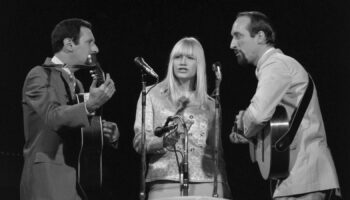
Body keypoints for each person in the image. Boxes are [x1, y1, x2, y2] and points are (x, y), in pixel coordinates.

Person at [229, 11, 341, 200]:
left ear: (260, 36)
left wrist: (244, 124)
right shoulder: (276, 66)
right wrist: (254, 138)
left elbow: (256, 116)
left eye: (238, 36)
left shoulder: (275, 65)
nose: (232, 44)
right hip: (298, 179)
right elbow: (280, 125)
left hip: (304, 179)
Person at [20, 18, 120, 200]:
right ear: (69, 44)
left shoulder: (79, 85)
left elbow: (79, 131)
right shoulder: (40, 75)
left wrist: (101, 129)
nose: (96, 49)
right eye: (90, 42)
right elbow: (53, 116)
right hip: (48, 181)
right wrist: (90, 105)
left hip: (78, 181)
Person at [133, 37, 231, 199]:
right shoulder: (152, 95)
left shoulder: (211, 104)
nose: (183, 62)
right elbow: (139, 142)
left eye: (190, 58)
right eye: (177, 57)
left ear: (199, 64)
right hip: (164, 182)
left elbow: (217, 150)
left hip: (207, 184)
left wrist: (225, 187)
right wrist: (164, 141)